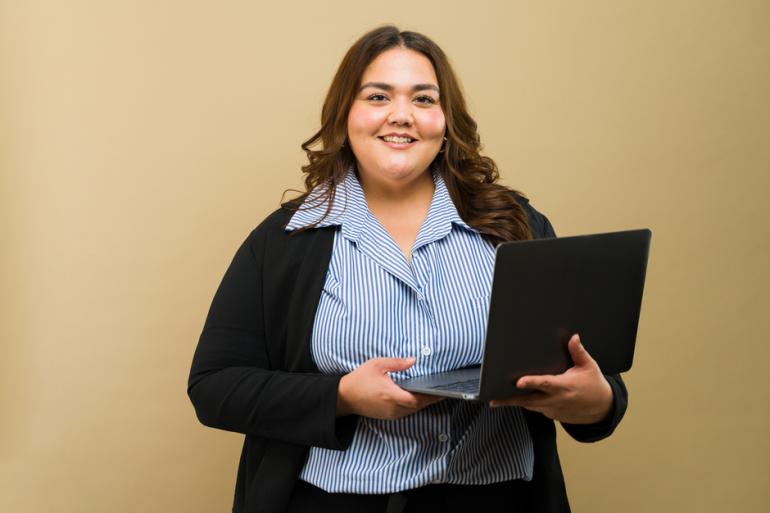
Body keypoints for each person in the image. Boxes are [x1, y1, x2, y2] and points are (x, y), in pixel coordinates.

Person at [188, 25, 627, 513]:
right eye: (378, 96)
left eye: (423, 99)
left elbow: (588, 376)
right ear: (345, 115)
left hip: (497, 499)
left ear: (445, 122)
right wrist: (342, 396)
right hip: (335, 503)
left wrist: (598, 403)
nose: (401, 116)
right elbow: (214, 386)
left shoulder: (516, 225)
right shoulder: (285, 241)